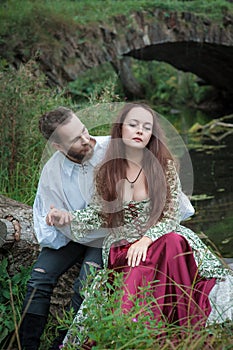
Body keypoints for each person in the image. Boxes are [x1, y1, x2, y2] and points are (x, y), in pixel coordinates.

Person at [47, 102, 233, 342]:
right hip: (123, 245)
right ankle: (129, 329)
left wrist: (146, 239)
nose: (139, 131)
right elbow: (98, 215)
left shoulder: (163, 166)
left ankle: (167, 326)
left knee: (173, 241)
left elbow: (171, 213)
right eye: (133, 124)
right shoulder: (107, 171)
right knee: (138, 260)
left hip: (161, 238)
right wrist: (67, 217)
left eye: (146, 127)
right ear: (120, 129)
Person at [19, 106, 110, 350]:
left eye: (84, 130)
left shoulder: (112, 150)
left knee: (85, 282)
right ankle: (26, 345)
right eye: (76, 139)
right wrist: (56, 220)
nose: (86, 140)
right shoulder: (52, 171)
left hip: (106, 236)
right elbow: (47, 218)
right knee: (38, 279)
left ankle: (62, 344)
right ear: (58, 147)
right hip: (71, 236)